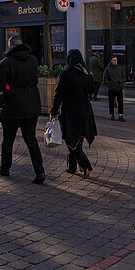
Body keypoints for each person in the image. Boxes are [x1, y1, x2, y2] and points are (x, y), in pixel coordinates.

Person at [0, 35, 46, 184]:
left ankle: (5, 168)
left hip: (12, 106)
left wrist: (5, 85)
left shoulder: (6, 63)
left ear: (10, 46)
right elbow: (34, 80)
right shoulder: (33, 61)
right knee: (31, 139)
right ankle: (40, 171)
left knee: (8, 140)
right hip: (31, 105)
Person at [50, 49, 98, 179]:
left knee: (70, 139)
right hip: (85, 110)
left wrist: (53, 111)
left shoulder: (65, 74)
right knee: (78, 138)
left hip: (71, 111)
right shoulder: (87, 74)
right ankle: (72, 167)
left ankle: (85, 165)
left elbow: (58, 94)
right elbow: (92, 91)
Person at [103, 56, 126, 121]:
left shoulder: (120, 68)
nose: (115, 61)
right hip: (111, 88)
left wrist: (121, 83)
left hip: (119, 87)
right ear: (111, 61)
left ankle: (120, 114)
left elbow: (124, 77)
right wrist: (110, 84)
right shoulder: (107, 69)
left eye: (116, 60)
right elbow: (105, 78)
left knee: (120, 102)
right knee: (111, 102)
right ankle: (112, 114)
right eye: (114, 60)